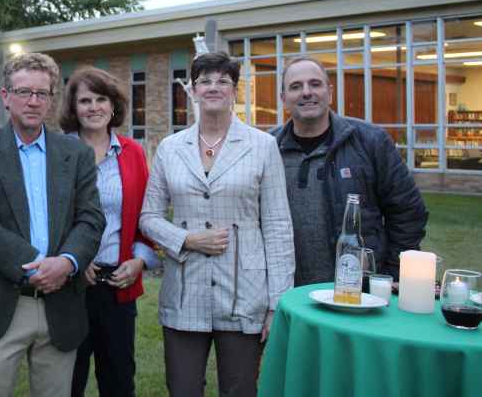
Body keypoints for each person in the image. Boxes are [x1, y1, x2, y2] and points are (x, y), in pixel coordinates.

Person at [139, 52, 294, 397]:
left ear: (235, 91)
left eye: (223, 81)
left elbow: (278, 226)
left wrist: (277, 303)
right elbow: (148, 217)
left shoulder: (263, 146)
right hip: (185, 293)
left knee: (240, 389)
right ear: (193, 90)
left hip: (245, 294)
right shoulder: (170, 148)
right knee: (182, 388)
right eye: (205, 81)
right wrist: (187, 239)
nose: (213, 87)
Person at [0, 52, 106, 397]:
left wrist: (66, 262)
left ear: (51, 100)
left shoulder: (76, 154)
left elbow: (91, 217)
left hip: (61, 302)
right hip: (0, 301)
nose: (33, 101)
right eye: (24, 92)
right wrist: (36, 265)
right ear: (6, 96)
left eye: (42, 93)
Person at [272, 55, 428, 286]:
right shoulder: (268, 148)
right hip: (287, 291)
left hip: (356, 291)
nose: (306, 92)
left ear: (330, 93)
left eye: (315, 84)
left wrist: (389, 273)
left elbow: (408, 212)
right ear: (284, 99)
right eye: (296, 86)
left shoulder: (370, 141)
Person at [58, 67, 158, 397]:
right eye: (85, 100)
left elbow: (146, 214)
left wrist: (139, 260)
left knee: (118, 382)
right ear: (73, 108)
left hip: (117, 284)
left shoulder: (133, 153)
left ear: (113, 105)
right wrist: (73, 258)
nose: (94, 107)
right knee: (66, 382)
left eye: (101, 99)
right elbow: (47, 217)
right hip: (69, 285)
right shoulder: (58, 152)